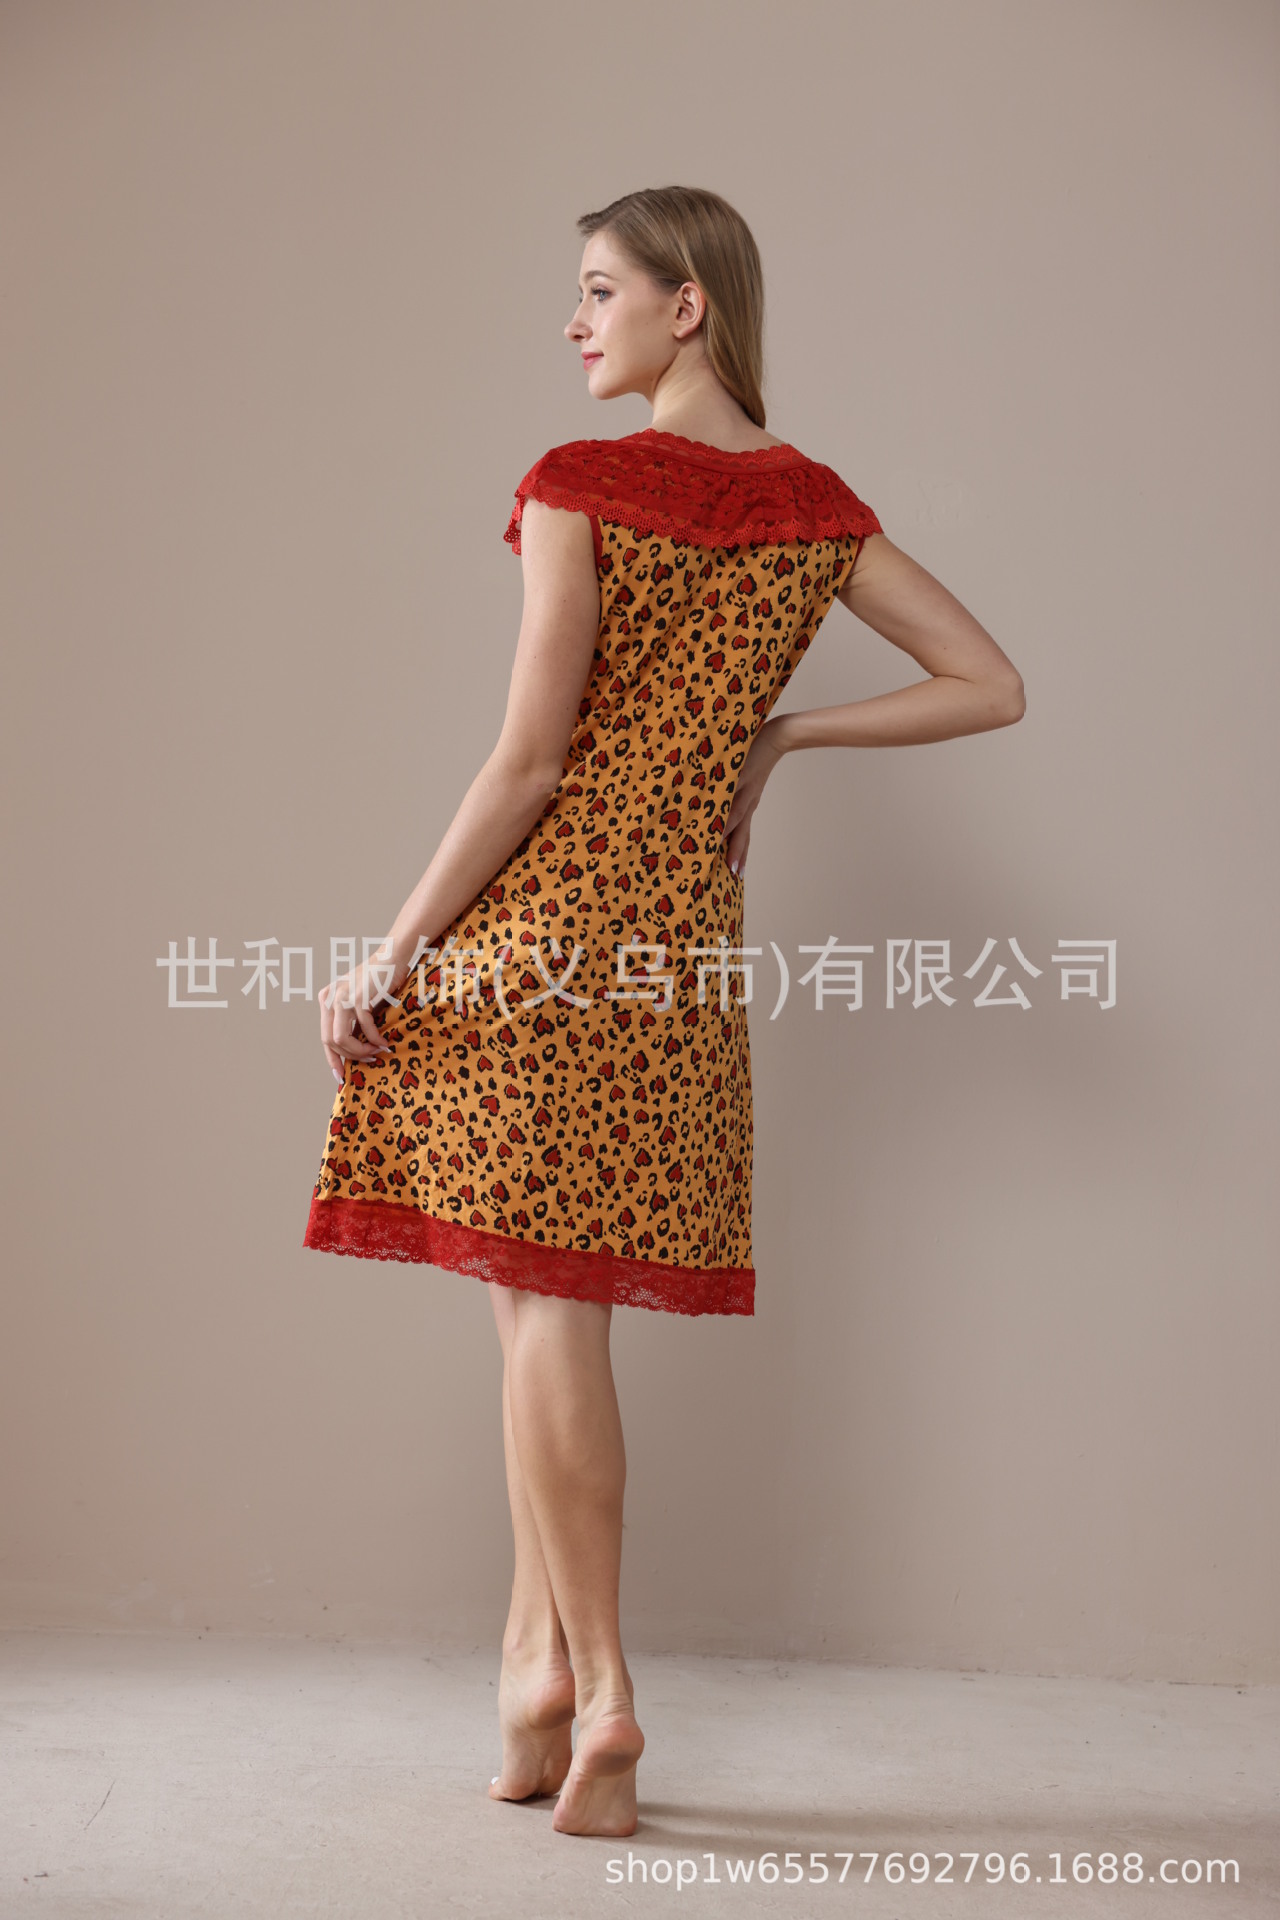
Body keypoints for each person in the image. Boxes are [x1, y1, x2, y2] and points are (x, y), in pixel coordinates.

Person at [304, 184, 1025, 1838]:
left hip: (545, 935)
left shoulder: (585, 482)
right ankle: (534, 1680)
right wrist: (783, 735)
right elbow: (992, 684)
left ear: (685, 303)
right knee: (543, 1315)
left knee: (545, 1318)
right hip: (680, 951)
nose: (573, 322)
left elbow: (530, 764)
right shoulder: (815, 510)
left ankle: (610, 1690)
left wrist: (389, 950)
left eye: (597, 290)